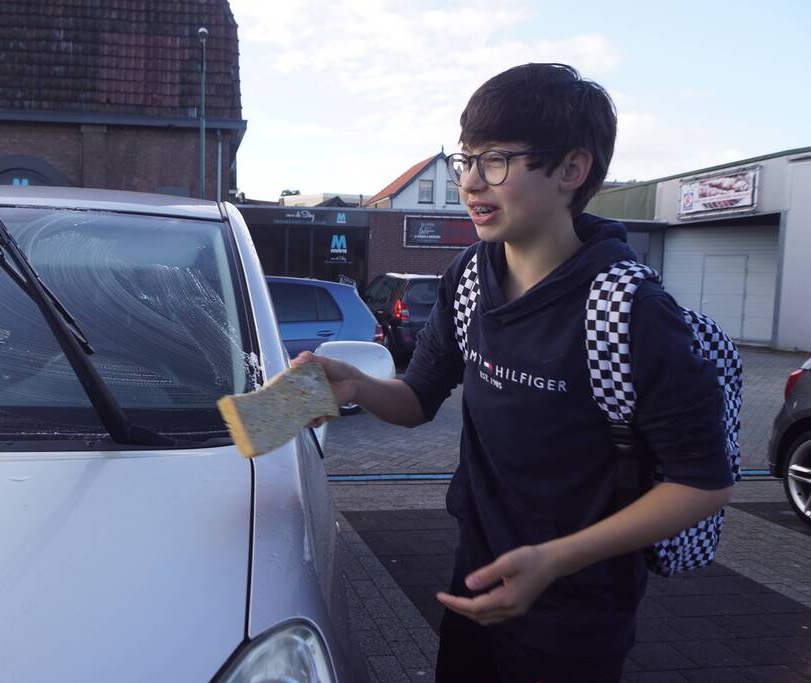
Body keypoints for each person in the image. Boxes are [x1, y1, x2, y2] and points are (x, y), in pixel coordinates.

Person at [294, 63, 734, 682]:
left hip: (578, 609)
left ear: (571, 170)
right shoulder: (470, 278)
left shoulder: (630, 311)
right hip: (476, 573)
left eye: (496, 160)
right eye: (466, 159)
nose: (471, 181)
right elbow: (418, 398)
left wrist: (554, 560)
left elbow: (702, 483)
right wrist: (358, 387)